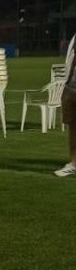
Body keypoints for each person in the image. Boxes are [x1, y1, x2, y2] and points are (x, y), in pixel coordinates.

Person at [55, 33, 76, 177]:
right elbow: (71, 59)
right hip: (72, 87)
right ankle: (73, 163)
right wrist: (67, 82)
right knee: (73, 126)